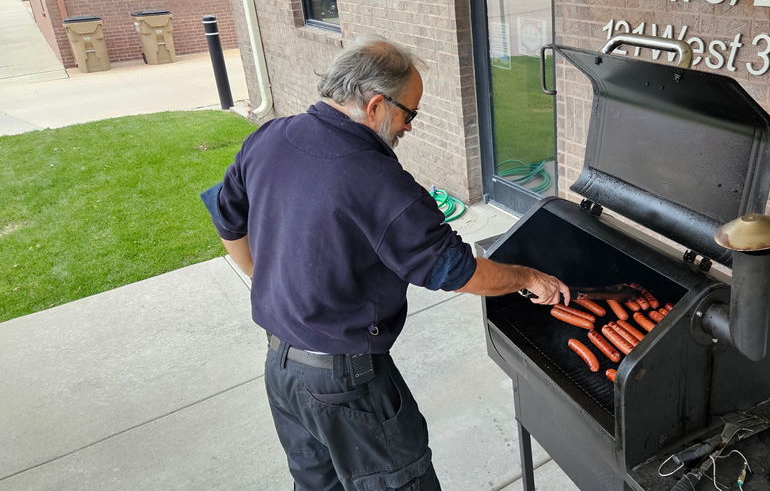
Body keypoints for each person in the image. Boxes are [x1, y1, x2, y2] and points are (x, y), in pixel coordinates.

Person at [201, 34, 569, 491]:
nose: (410, 127)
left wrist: (262, 276)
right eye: (409, 113)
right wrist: (528, 278)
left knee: (318, 485)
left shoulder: (270, 137)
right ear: (376, 105)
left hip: (282, 369)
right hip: (346, 385)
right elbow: (457, 272)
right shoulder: (380, 183)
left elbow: (226, 218)